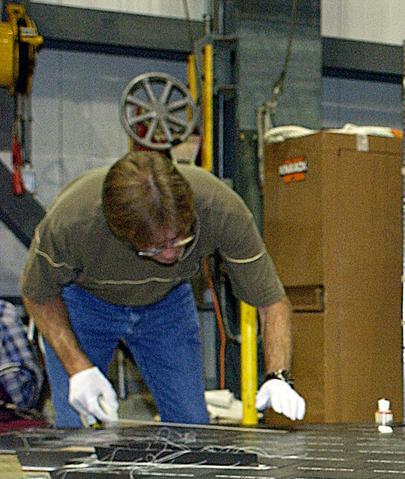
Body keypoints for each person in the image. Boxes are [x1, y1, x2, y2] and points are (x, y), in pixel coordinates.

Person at [20, 151, 304, 427]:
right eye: (155, 247)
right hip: (86, 305)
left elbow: (272, 301)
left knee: (191, 426)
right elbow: (37, 295)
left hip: (166, 305)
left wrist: (277, 375)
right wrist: (78, 368)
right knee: (77, 423)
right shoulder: (71, 223)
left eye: (180, 240)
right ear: (121, 231)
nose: (170, 255)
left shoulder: (221, 209)